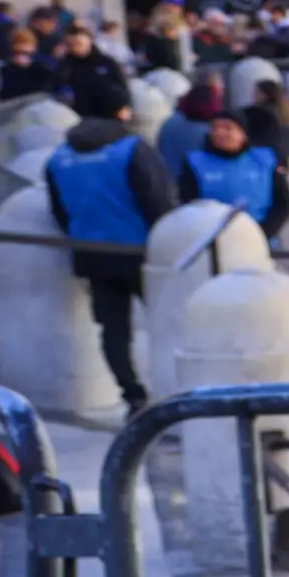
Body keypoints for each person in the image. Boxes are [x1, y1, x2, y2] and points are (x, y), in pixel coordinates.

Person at [42, 98, 177, 410]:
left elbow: (59, 211)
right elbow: (157, 198)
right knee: (165, 322)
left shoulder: (58, 158)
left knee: (113, 330)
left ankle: (132, 393)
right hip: (142, 251)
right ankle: (172, 389)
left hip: (92, 254)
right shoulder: (131, 149)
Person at [180, 111, 289, 236]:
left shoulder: (265, 159)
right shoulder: (195, 162)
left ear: (243, 134)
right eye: (215, 127)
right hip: (213, 240)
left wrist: (262, 233)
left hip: (261, 237)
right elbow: (187, 204)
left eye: (228, 128)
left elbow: (283, 203)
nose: (219, 132)